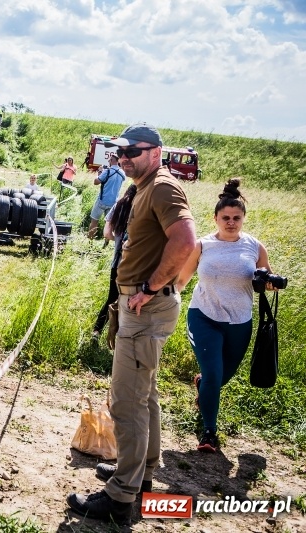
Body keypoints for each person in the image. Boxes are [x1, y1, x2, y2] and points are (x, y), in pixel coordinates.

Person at [67, 123, 196, 525]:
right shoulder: (145, 185)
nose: (124, 159)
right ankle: (139, 476)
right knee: (145, 397)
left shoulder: (161, 186)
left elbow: (187, 240)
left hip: (144, 308)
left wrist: (151, 286)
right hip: (141, 307)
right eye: (120, 153)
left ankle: (121, 497)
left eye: (132, 152)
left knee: (127, 402)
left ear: (155, 152)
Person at [175, 178, 275, 453]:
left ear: (243, 218)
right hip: (204, 315)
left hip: (239, 322)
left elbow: (265, 277)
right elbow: (182, 279)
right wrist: (166, 301)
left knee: (220, 378)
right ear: (216, 218)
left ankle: (202, 385)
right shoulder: (203, 245)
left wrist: (269, 283)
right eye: (226, 217)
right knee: (213, 372)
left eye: (236, 218)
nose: (231, 222)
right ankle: (209, 433)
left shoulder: (255, 246)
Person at [91, 184, 137, 342]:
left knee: (111, 298)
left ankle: (96, 331)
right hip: (136, 267)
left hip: (117, 264)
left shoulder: (119, 205)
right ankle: (121, 338)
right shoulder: (142, 207)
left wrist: (118, 240)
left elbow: (106, 233)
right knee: (131, 302)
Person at [88, 153, 127, 239]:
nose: (108, 161)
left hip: (102, 200)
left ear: (111, 161)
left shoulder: (107, 171)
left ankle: (90, 241)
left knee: (94, 221)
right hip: (113, 202)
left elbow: (96, 182)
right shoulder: (122, 173)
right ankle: (106, 242)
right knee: (109, 224)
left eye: (109, 160)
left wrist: (98, 173)